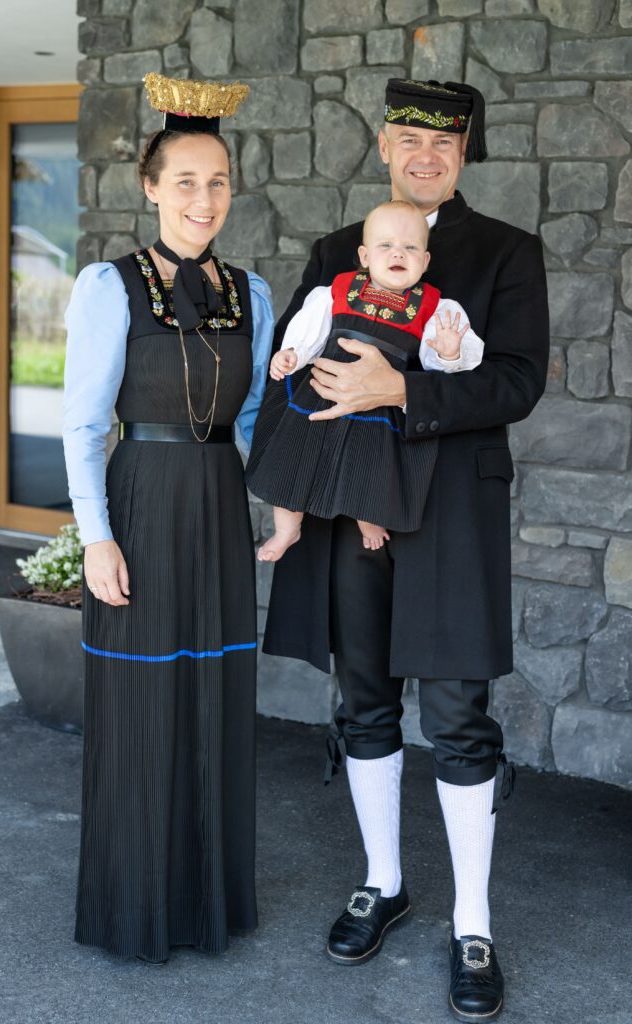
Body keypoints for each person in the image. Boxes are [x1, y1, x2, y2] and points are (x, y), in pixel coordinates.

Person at [255, 79, 548, 1021]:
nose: (427, 158)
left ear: (462, 154)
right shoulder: (337, 254)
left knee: (459, 715)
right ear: (383, 145)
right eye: (410, 142)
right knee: (363, 695)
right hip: (352, 507)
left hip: (453, 510)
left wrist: (399, 391)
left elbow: (515, 381)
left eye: (445, 145)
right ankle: (383, 883)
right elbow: (297, 365)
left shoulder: (506, 251)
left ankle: (473, 922)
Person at [62, 73, 274, 965]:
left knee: (216, 702)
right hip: (142, 503)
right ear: (150, 188)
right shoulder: (109, 287)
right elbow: (81, 421)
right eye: (184, 181)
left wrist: (287, 507)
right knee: (147, 701)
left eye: (216, 181)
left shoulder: (252, 294)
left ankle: (206, 901)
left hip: (220, 506)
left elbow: (260, 419)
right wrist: (96, 534)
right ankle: (137, 904)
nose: (202, 198)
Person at [246, 199, 483, 561]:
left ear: (425, 260)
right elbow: (309, 331)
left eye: (410, 247)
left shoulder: (434, 307)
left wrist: (450, 351)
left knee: (372, 463)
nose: (398, 253)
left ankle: (370, 518)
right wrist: (292, 353)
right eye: (386, 245)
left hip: (379, 398)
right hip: (321, 389)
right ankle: (286, 529)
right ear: (365, 255)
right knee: (297, 458)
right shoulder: (337, 291)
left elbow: (444, 368)